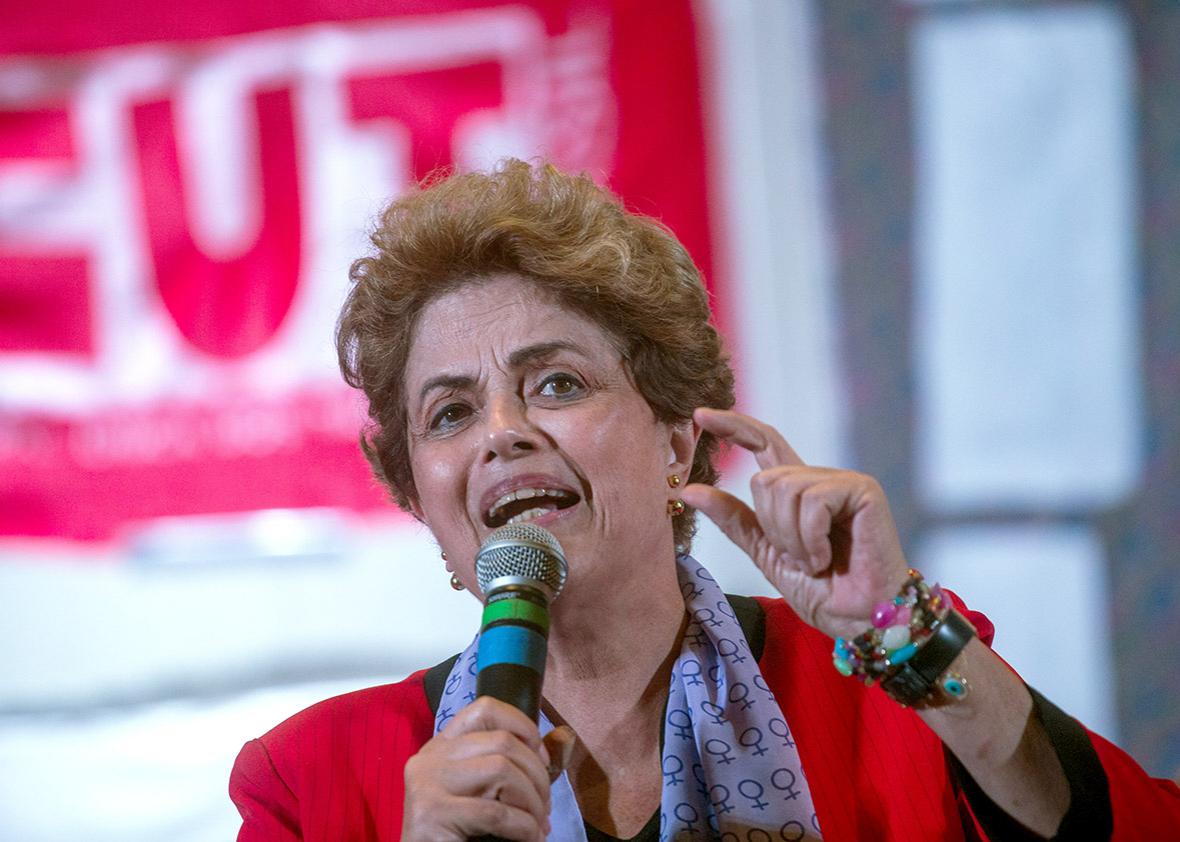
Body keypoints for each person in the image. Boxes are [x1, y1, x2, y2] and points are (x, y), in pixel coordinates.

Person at [229, 159, 1180, 841]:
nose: (500, 433)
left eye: (557, 383)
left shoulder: (893, 684)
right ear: (420, 496)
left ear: (677, 438)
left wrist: (897, 628)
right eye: (449, 412)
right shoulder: (313, 786)